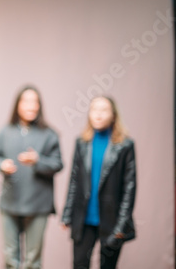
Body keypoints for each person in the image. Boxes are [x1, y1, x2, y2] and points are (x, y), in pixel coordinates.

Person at [0, 86, 63, 269]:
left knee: (32, 261)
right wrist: (2, 165)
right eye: (26, 101)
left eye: (35, 102)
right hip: (10, 203)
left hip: (38, 205)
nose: (31, 106)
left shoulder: (49, 134)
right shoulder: (5, 131)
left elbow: (57, 164)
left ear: (39, 106)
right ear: (17, 105)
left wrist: (38, 161)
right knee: (10, 259)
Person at [61, 96, 136, 269]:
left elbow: (129, 188)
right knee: (79, 264)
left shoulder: (125, 145)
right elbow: (74, 180)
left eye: (104, 110)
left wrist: (122, 224)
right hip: (83, 218)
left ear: (113, 115)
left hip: (111, 219)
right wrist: (67, 213)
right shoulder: (82, 143)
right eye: (94, 109)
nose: (98, 114)